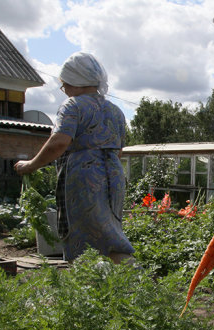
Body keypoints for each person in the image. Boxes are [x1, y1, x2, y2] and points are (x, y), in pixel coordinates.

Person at [14, 52, 134, 265]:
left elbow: (59, 142)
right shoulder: (115, 111)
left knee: (84, 237)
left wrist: (31, 165)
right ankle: (119, 286)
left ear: (76, 81)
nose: (65, 90)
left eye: (65, 85)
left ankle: (96, 286)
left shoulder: (73, 105)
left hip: (85, 176)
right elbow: (118, 151)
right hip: (114, 175)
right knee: (110, 233)